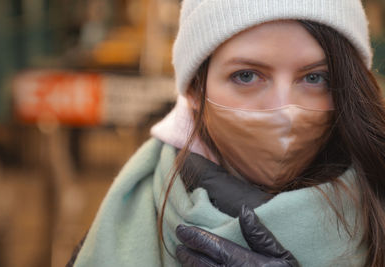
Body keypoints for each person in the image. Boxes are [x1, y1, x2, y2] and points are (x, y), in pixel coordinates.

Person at [70, 0, 385, 266]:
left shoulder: (378, 203)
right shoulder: (119, 225)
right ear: (195, 89)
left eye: (316, 78)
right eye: (246, 75)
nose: (285, 111)